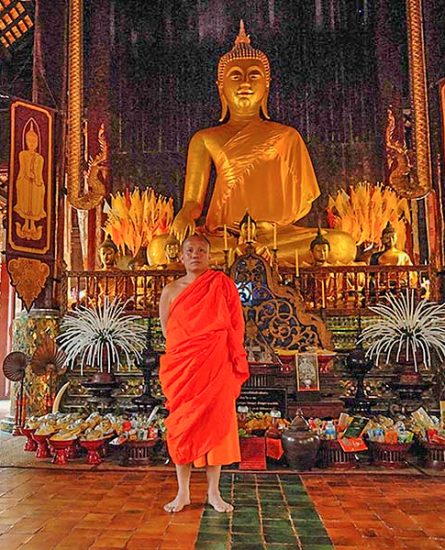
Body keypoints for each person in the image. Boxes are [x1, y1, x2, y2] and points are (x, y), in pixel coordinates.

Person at [166, 20, 356, 266]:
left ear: (266, 86)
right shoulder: (205, 139)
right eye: (236, 76)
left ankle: (247, 258)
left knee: (341, 245)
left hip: (276, 236)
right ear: (220, 87)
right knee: (163, 248)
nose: (245, 83)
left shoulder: (287, 136)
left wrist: (267, 234)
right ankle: (247, 257)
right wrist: (184, 215)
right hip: (225, 237)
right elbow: (194, 202)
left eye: (253, 76)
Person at [159, 234, 249, 513]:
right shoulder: (171, 290)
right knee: (182, 424)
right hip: (183, 367)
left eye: (201, 250)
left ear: (210, 256)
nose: (195, 254)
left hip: (215, 364)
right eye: (189, 250)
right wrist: (189, 351)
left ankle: (213, 492)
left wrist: (222, 353)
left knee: (216, 422)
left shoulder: (222, 285)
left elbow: (236, 324)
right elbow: (167, 329)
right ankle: (182, 492)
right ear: (181, 256)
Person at [14, 121, 46, 241]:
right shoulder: (23, 154)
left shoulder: (40, 158)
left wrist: (36, 177)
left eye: (34, 141)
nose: (32, 144)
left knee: (40, 191)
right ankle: (26, 224)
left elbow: (39, 174)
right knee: (22, 188)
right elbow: (23, 170)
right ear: (26, 142)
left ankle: (32, 225)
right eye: (29, 141)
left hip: (36, 183)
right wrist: (28, 174)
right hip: (24, 181)